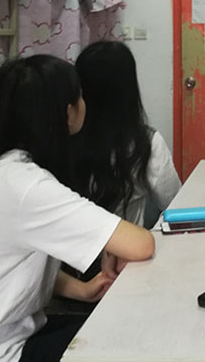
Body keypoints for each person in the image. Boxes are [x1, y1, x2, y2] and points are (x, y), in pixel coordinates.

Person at [0, 54, 155, 362]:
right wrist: (111, 244)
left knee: (102, 332)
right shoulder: (26, 186)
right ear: (68, 112)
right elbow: (141, 244)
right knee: (113, 343)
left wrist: (80, 288)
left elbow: (9, 266)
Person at [71, 40, 180, 227]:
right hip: (124, 243)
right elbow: (174, 202)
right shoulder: (145, 142)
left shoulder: (61, 140)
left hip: (70, 243)